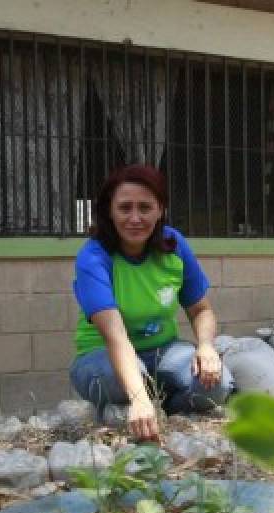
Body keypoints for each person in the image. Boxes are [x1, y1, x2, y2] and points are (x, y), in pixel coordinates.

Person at [70, 164, 233, 441]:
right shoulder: (93, 258)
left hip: (164, 351)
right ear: (110, 211)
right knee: (123, 381)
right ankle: (143, 400)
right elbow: (116, 337)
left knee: (217, 386)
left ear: (160, 210)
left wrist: (206, 347)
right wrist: (138, 396)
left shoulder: (174, 244)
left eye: (145, 208)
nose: (135, 218)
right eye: (125, 208)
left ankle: (164, 408)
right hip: (102, 354)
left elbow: (201, 310)